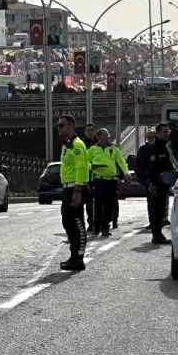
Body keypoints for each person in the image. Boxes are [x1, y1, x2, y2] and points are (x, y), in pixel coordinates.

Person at [57, 115, 89, 271]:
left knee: (77, 224)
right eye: (58, 126)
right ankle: (73, 256)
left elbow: (81, 168)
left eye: (61, 125)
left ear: (70, 126)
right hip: (67, 188)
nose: (59, 128)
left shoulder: (77, 145)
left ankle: (79, 258)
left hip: (76, 188)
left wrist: (77, 191)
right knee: (67, 222)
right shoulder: (66, 145)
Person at [87, 128, 129, 237]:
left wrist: (126, 172)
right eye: (104, 135)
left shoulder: (113, 148)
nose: (107, 137)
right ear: (99, 137)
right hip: (99, 180)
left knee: (110, 204)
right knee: (98, 203)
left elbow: (121, 161)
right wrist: (92, 167)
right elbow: (85, 161)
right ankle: (96, 227)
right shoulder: (93, 149)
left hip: (111, 180)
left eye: (108, 134)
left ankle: (106, 227)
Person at [136, 122, 174, 244]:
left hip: (165, 185)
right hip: (153, 186)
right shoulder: (147, 150)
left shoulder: (170, 147)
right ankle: (156, 235)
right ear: (157, 133)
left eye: (168, 131)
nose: (166, 134)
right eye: (164, 131)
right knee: (155, 211)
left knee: (162, 211)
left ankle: (158, 233)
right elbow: (140, 169)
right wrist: (148, 184)